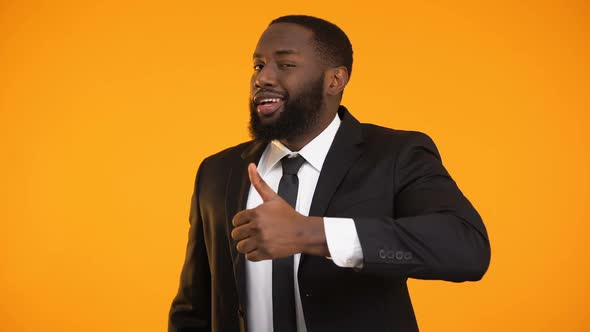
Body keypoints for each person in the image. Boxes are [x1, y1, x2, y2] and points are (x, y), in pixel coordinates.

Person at [169, 15, 490, 332]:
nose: (262, 78)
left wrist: (311, 233)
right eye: (258, 65)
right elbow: (194, 308)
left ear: (335, 80)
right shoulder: (218, 171)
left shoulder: (395, 155)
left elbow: (465, 248)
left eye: (285, 65)